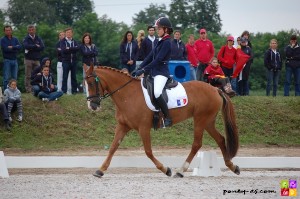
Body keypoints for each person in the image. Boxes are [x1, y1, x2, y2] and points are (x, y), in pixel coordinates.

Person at [135, 17, 173, 127]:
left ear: (165, 29)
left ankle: (168, 117)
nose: (157, 30)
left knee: (157, 92)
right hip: (154, 72)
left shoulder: (167, 42)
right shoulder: (160, 41)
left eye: (159, 28)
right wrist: (139, 67)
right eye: (157, 28)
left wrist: (144, 70)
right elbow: (150, 56)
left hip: (162, 73)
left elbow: (158, 60)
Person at [23, 24, 45, 93]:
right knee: (28, 75)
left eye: (32, 30)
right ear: (28, 31)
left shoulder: (38, 38)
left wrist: (32, 47)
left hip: (37, 59)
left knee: (38, 74)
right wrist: (35, 46)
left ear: (35, 30)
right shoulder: (26, 38)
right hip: (28, 59)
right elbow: (26, 46)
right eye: (30, 30)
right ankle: (28, 90)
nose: (31, 31)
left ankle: (37, 88)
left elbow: (42, 47)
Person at [1, 25, 22, 90]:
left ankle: (14, 92)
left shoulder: (15, 39)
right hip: (7, 60)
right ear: (4, 31)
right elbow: (5, 49)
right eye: (6, 30)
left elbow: (20, 47)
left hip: (15, 60)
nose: (8, 31)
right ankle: (5, 93)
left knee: (14, 78)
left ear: (11, 31)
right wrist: (15, 47)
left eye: (9, 30)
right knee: (6, 78)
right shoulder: (2, 39)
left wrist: (12, 47)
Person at [60, 27, 80, 94]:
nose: (68, 34)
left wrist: (69, 48)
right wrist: (72, 49)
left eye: (70, 32)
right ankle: (64, 91)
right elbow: (63, 50)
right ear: (65, 33)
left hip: (73, 61)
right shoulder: (62, 41)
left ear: (72, 33)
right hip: (66, 61)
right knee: (65, 76)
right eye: (67, 32)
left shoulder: (75, 41)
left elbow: (78, 48)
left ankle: (74, 91)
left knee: (74, 77)